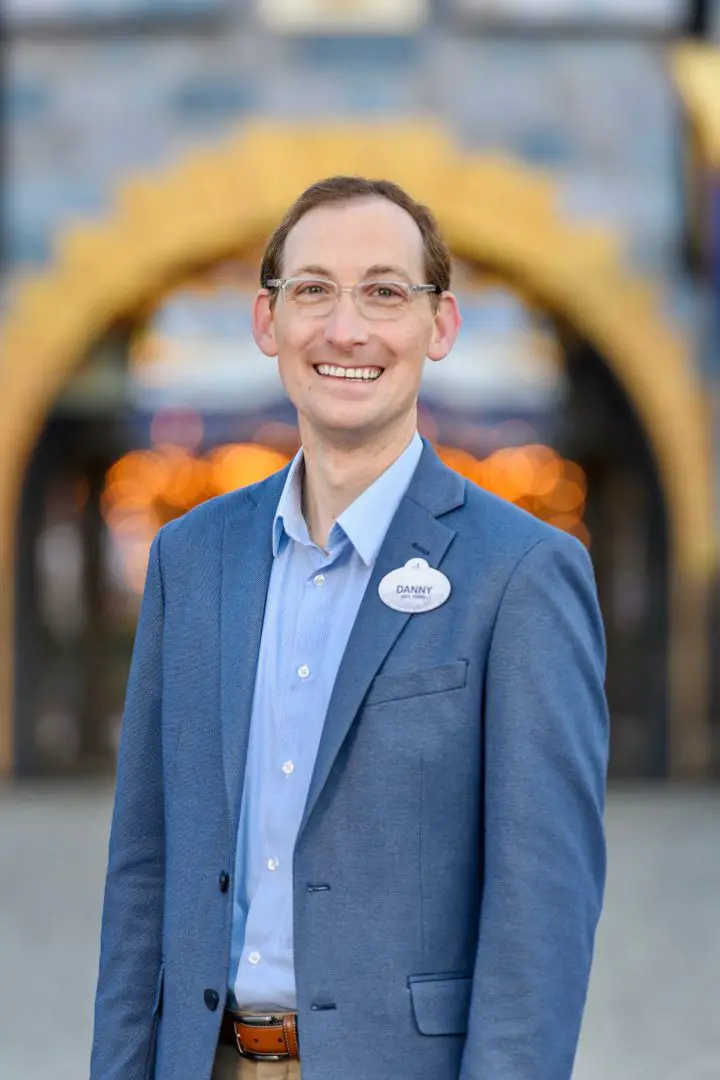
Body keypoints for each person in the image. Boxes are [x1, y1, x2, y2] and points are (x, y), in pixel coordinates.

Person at [90, 176, 609, 1080]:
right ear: (268, 321)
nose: (346, 329)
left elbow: (542, 909)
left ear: (439, 326)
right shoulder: (191, 559)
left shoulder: (521, 574)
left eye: (384, 291)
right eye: (313, 290)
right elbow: (144, 870)